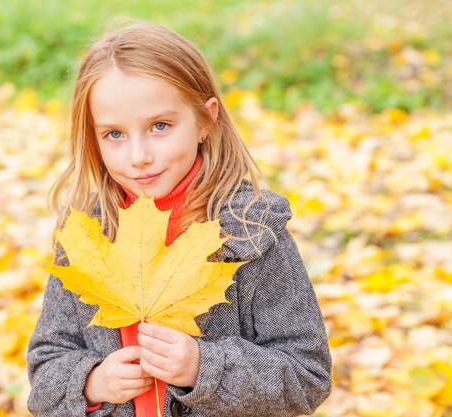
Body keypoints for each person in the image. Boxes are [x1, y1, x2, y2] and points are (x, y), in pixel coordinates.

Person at [26, 19, 332, 417]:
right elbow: (45, 371)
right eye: (114, 134)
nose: (139, 155)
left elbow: (307, 377)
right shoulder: (88, 238)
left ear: (205, 120)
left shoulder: (250, 232)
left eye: (160, 126)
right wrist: (91, 382)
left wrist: (203, 368)